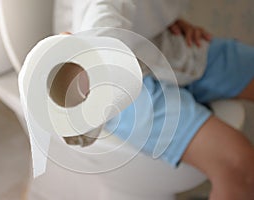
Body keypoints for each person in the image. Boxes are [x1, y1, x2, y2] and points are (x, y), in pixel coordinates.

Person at [60, 0, 254, 199]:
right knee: (239, 168)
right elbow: (103, 12)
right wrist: (91, 59)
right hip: (111, 77)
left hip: (155, 42)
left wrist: (159, 18)